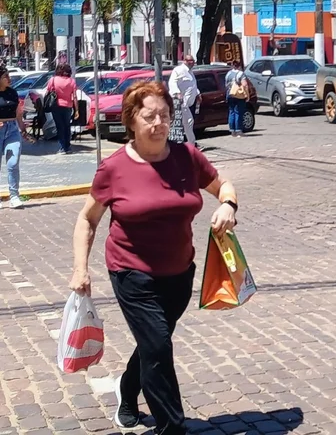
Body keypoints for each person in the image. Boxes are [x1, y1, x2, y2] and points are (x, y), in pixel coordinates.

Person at [69, 80, 238, 435]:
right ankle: (172, 428)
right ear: (131, 120)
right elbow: (87, 220)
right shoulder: (114, 168)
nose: (159, 123)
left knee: (153, 345)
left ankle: (127, 388)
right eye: (150, 116)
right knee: (159, 347)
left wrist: (228, 204)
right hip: (132, 273)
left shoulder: (187, 157)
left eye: (164, 115)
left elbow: (222, 184)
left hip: (180, 273)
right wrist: (80, 269)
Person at [0, 67, 32, 208]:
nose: (9, 78)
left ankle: (14, 196)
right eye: (6, 76)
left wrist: (23, 130)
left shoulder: (12, 92)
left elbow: (18, 113)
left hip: (12, 129)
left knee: (13, 163)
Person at [168, 55, 200, 146]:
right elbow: (172, 82)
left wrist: (198, 94)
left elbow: (192, 85)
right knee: (187, 121)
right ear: (185, 61)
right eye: (190, 60)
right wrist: (177, 93)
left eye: (193, 61)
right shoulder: (179, 70)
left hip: (187, 103)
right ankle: (191, 144)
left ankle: (189, 144)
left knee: (186, 122)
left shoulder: (190, 72)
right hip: (179, 102)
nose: (192, 62)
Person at [46, 63, 77, 154]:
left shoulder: (53, 80)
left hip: (56, 106)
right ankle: (68, 146)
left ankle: (62, 147)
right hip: (68, 106)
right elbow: (75, 97)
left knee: (59, 127)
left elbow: (48, 92)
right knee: (67, 126)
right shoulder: (72, 81)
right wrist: (77, 110)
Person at [225, 60, 249, 137]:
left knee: (231, 112)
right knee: (238, 112)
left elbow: (226, 85)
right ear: (239, 66)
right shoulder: (241, 74)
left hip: (229, 94)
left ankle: (232, 131)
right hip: (238, 95)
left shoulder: (228, 74)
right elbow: (244, 85)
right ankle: (239, 130)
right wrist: (247, 95)